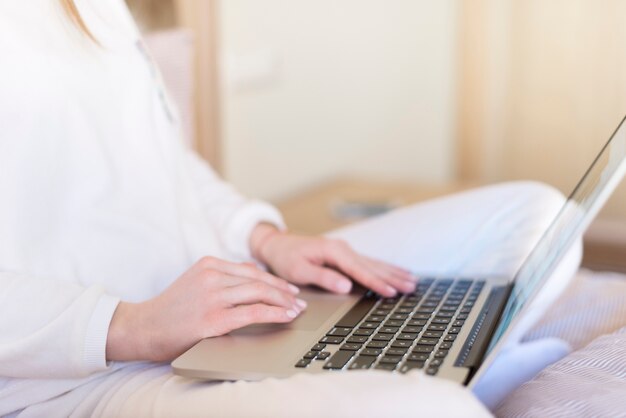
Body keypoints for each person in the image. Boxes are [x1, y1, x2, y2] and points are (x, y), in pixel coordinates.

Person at [0, 1, 579, 416]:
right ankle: (446, 378)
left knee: (538, 221)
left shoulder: (94, 8)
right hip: (81, 377)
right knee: (421, 410)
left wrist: (265, 240)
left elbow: (167, 165)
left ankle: (437, 364)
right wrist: (130, 326)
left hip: (226, 295)